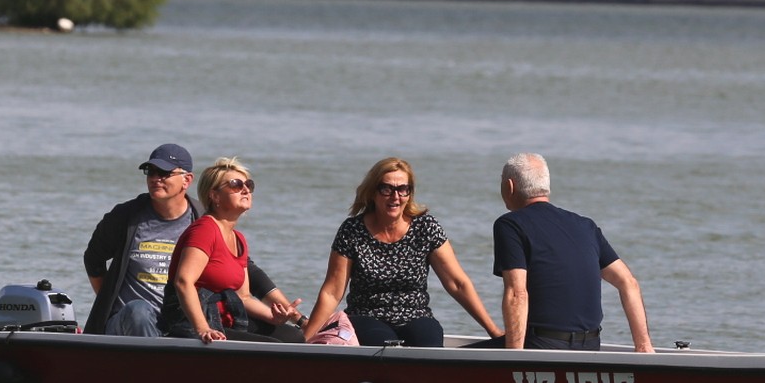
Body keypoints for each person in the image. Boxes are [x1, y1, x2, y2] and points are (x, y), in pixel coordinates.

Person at [83, 143, 292, 337]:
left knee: (284, 335)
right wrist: (108, 301)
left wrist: (292, 314)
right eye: (151, 172)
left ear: (187, 180)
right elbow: (93, 259)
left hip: (175, 321)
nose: (156, 178)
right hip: (129, 321)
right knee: (139, 310)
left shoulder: (202, 219)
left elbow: (242, 269)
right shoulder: (126, 216)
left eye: (164, 173)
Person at [301, 157, 503, 348]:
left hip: (416, 315)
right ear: (373, 192)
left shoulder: (426, 227)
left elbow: (458, 284)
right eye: (386, 189)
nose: (395, 197)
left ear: (410, 193)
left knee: (428, 342)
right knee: (384, 346)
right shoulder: (352, 230)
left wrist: (494, 331)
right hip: (366, 316)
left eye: (402, 189)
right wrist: (305, 340)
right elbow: (331, 292)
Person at [492, 152, 653, 353]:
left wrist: (514, 361)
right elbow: (628, 282)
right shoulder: (585, 226)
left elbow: (517, 294)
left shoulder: (510, 225)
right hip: (591, 347)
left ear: (509, 186)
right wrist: (644, 347)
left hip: (541, 346)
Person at [159, 158, 303, 343]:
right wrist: (203, 329)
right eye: (236, 185)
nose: (245, 190)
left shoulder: (238, 239)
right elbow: (183, 281)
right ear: (214, 196)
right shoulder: (205, 230)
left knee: (294, 336)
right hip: (190, 324)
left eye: (248, 185)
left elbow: (243, 297)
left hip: (225, 319)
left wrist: (273, 317)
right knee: (272, 347)